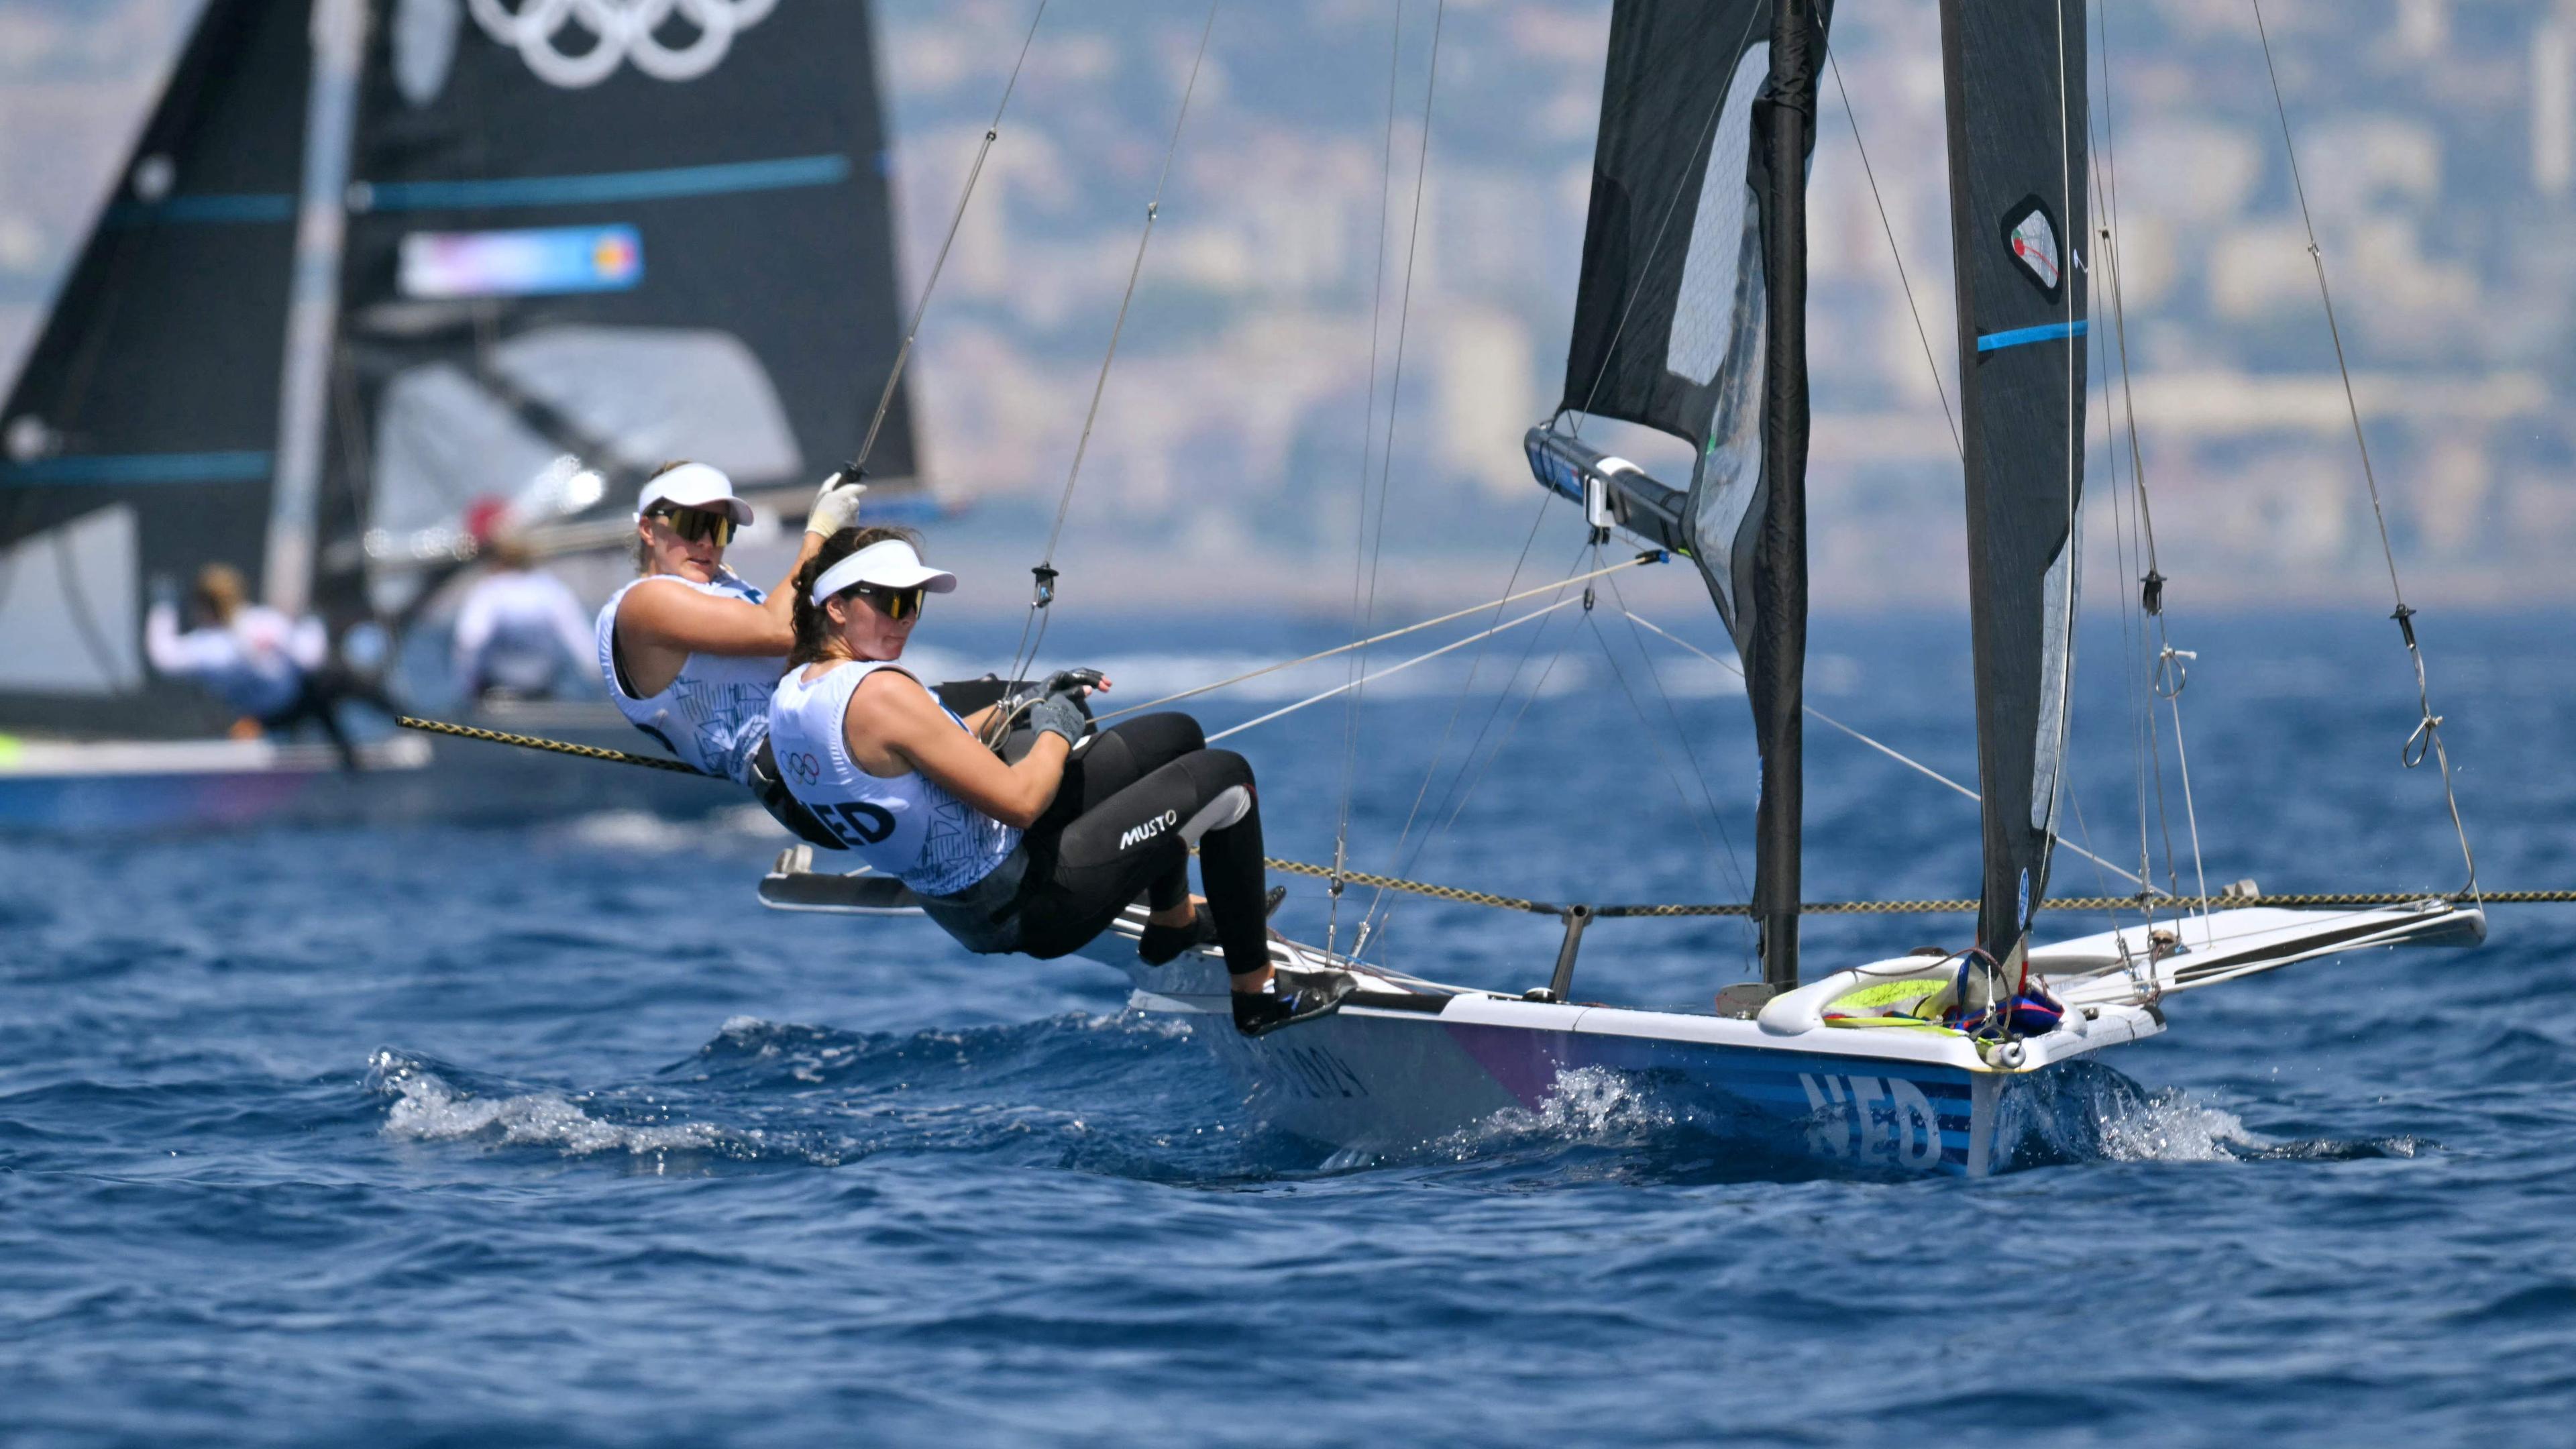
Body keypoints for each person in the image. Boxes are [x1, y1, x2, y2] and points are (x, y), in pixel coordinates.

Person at [766, 525, 1351, 1038]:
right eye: (891, 602)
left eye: (914, 602)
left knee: (1175, 735)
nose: (908, 618)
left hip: (975, 892)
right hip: (1024, 898)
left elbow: (920, 751)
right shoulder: (884, 690)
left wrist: (1027, 704)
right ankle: (1258, 996)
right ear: (836, 607)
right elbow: (1020, 802)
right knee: (1230, 779)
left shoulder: (795, 692)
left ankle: (1171, 924)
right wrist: (1056, 730)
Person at [597, 459, 866, 844]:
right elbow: (778, 630)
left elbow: (803, 653)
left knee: (985, 702)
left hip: (838, 733)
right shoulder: (645, 603)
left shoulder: (726, 589)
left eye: (719, 527)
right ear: (647, 529)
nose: (707, 542)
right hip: (802, 773)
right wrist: (819, 534)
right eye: (691, 525)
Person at [144, 562, 397, 769]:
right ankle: (359, 758)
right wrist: (312, 625)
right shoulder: (214, 644)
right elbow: (166, 659)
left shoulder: (241, 629)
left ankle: (363, 751)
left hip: (286, 705)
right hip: (275, 714)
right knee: (330, 684)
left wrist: (163, 606)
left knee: (328, 685)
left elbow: (309, 655)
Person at [450, 535, 593, 702]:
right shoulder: (551, 589)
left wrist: (466, 686)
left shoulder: (489, 591)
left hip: (496, 694)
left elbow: (470, 641)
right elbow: (583, 644)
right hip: (543, 691)